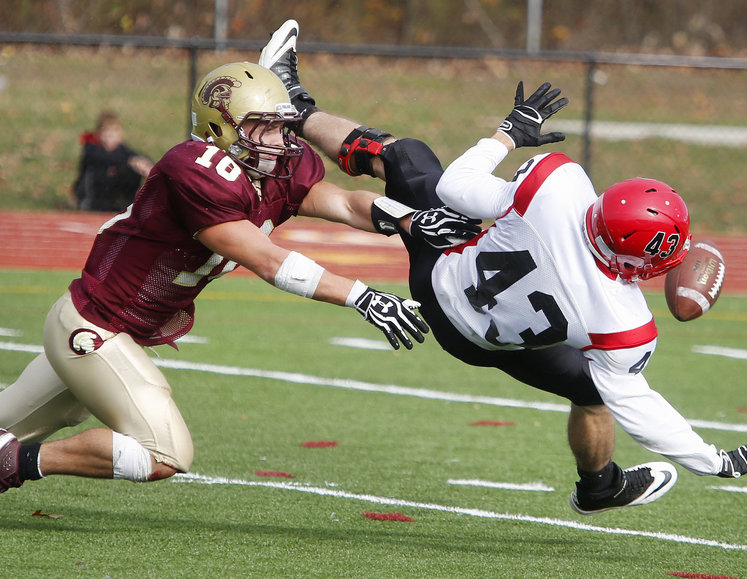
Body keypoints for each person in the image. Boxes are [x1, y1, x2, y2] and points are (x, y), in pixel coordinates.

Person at [260, 19, 747, 514]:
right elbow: (644, 413)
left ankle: (293, 108)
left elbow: (453, 188)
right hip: (483, 344)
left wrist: (508, 133)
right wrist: (714, 461)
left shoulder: (558, 187)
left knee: (406, 155)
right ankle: (598, 487)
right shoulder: (623, 323)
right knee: (597, 390)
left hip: (442, 272)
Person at [0, 60, 484, 494]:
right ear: (220, 129)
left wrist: (407, 220)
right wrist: (361, 296)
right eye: (262, 127)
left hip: (118, 330)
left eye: (279, 126)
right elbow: (267, 260)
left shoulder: (273, 169)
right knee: (162, 453)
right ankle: (15, 463)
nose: (277, 140)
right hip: (94, 327)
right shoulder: (194, 169)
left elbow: (339, 200)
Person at [73, 111, 155, 212]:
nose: (110, 136)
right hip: (93, 199)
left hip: (112, 199)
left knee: (133, 172)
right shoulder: (92, 149)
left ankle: (128, 205)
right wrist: (131, 163)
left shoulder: (122, 150)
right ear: (98, 134)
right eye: (106, 132)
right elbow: (106, 159)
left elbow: (136, 157)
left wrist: (145, 165)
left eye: (114, 132)